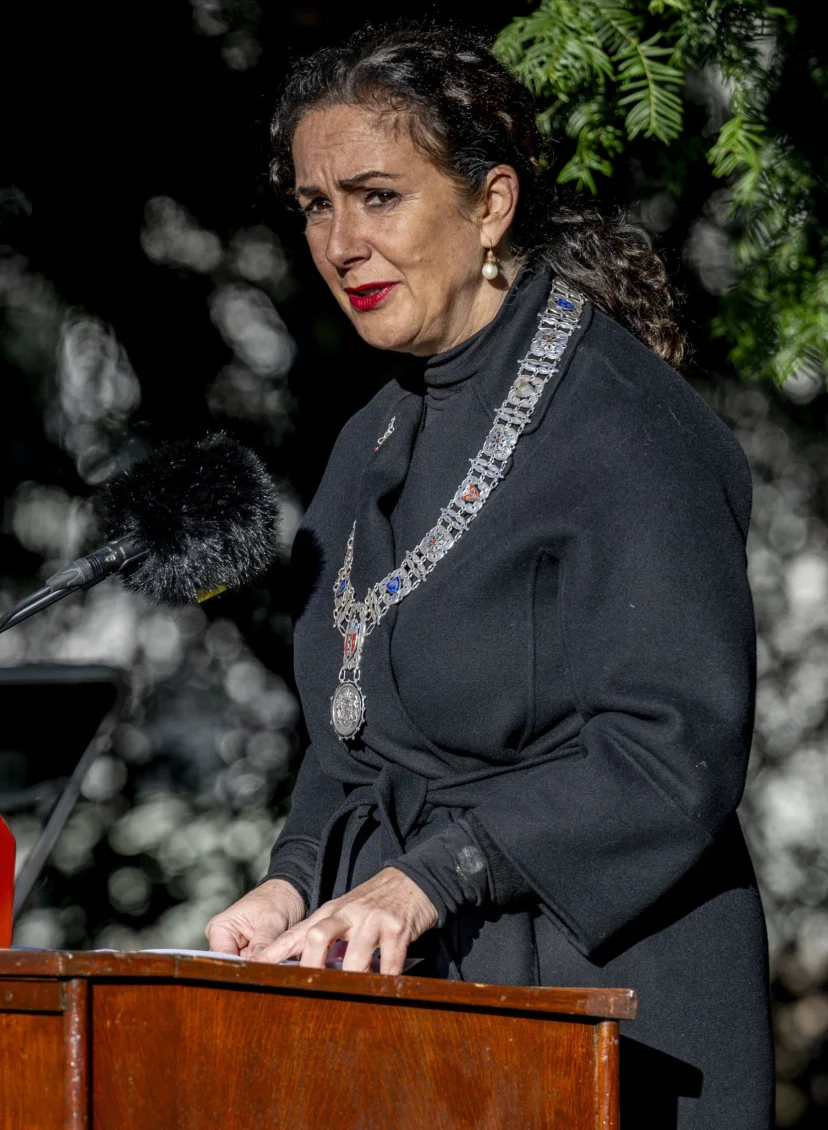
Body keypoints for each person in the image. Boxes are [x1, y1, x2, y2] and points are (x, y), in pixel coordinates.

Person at [206, 23, 773, 1127]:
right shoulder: (365, 440)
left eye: (377, 196)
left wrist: (434, 873)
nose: (340, 244)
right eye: (317, 205)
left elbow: (670, 747)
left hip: (611, 1002)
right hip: (423, 1003)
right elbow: (351, 736)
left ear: (492, 204)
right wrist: (293, 875)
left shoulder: (628, 424)